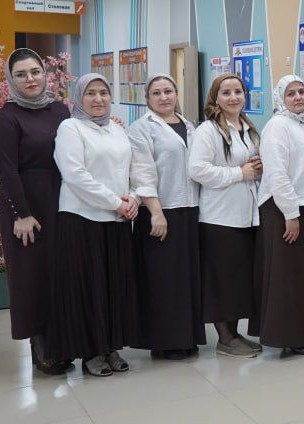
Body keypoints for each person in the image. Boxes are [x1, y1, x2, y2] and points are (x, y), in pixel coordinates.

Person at [47, 73, 140, 377]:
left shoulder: (117, 129)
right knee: (88, 288)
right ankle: (91, 352)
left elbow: (130, 169)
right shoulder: (70, 128)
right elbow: (75, 175)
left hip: (116, 220)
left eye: (103, 92)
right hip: (82, 219)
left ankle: (110, 346)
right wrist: (116, 202)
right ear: (78, 98)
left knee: (113, 287)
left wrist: (134, 198)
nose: (98, 99)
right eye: (90, 93)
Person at [0, 48, 72, 375]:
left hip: (61, 199)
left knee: (59, 271)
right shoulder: (8, 116)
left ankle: (61, 341)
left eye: (35, 72)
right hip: (26, 205)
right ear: (11, 79)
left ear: (45, 73)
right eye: (21, 74)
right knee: (32, 276)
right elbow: (6, 170)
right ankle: (40, 347)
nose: (30, 79)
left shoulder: (59, 109)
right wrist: (21, 214)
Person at [127, 74, 203, 360]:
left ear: (176, 94)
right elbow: (142, 173)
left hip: (189, 209)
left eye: (168, 91)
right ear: (147, 98)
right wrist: (156, 212)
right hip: (160, 212)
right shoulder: (141, 129)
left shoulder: (189, 125)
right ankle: (164, 341)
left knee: (186, 278)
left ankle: (187, 337)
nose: (163, 97)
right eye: (156, 93)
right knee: (163, 280)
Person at [188, 74, 262, 359]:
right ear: (215, 98)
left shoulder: (247, 127)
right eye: (226, 93)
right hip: (219, 218)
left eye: (238, 92)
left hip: (245, 215)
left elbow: (249, 167)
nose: (233, 97)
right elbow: (197, 169)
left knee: (237, 280)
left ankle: (234, 333)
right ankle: (225, 338)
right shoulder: (207, 130)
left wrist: (257, 167)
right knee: (222, 281)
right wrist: (238, 173)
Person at [252, 75, 304, 357]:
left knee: (303, 274)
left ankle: (303, 333)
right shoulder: (277, 126)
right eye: (291, 93)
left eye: (302, 91)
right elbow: (276, 173)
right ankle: (287, 336)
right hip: (283, 209)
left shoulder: (302, 124)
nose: (298, 97)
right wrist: (291, 213)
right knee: (287, 276)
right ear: (281, 98)